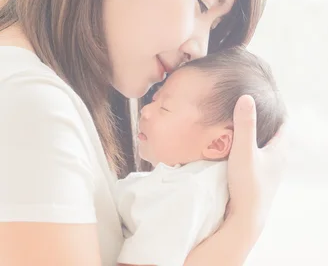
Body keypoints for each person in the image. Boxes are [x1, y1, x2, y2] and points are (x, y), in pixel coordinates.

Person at [0, 0, 285, 265]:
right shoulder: (30, 103)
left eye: (215, 26)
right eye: (202, 4)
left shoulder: (46, 96)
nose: (199, 49)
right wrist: (242, 228)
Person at [116, 46, 286, 266]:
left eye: (164, 108)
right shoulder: (200, 188)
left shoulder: (187, 193)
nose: (145, 111)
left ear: (217, 143)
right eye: (154, 100)